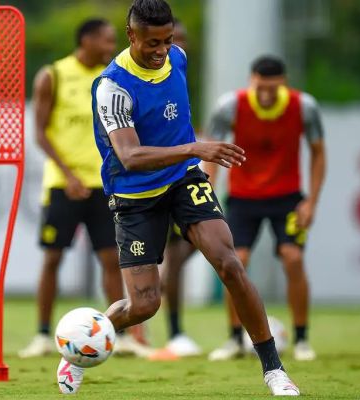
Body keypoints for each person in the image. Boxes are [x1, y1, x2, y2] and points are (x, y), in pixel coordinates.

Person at [56, 0, 300, 395]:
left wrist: (190, 155)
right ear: (131, 35)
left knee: (230, 264)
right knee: (143, 305)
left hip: (184, 180)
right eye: (152, 42)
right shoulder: (112, 87)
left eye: (167, 40)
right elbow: (131, 157)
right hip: (135, 195)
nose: (161, 50)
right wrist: (195, 148)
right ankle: (80, 342)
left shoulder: (178, 58)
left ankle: (274, 369)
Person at [19, 18, 151, 359]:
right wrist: (69, 174)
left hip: (104, 186)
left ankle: (117, 335)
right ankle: (43, 335)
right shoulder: (54, 75)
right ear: (87, 39)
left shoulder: (113, 77)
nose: (111, 47)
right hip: (64, 185)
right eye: (106, 41)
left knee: (111, 259)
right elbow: (40, 133)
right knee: (53, 257)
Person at [205, 55, 325, 362]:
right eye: (261, 87)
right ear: (252, 81)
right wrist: (207, 192)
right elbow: (211, 151)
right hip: (243, 198)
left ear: (283, 83)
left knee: (293, 258)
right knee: (235, 261)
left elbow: (318, 153)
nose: (267, 94)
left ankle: (301, 339)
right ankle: (234, 340)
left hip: (287, 198)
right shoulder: (230, 106)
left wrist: (311, 200)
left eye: (274, 87)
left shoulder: (304, 107)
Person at [148, 16, 202, 361]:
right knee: (163, 259)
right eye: (169, 40)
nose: (173, 47)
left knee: (184, 254)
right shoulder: (136, 76)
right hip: (152, 182)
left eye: (178, 40)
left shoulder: (178, 70)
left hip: (183, 178)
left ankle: (176, 330)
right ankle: (173, 330)